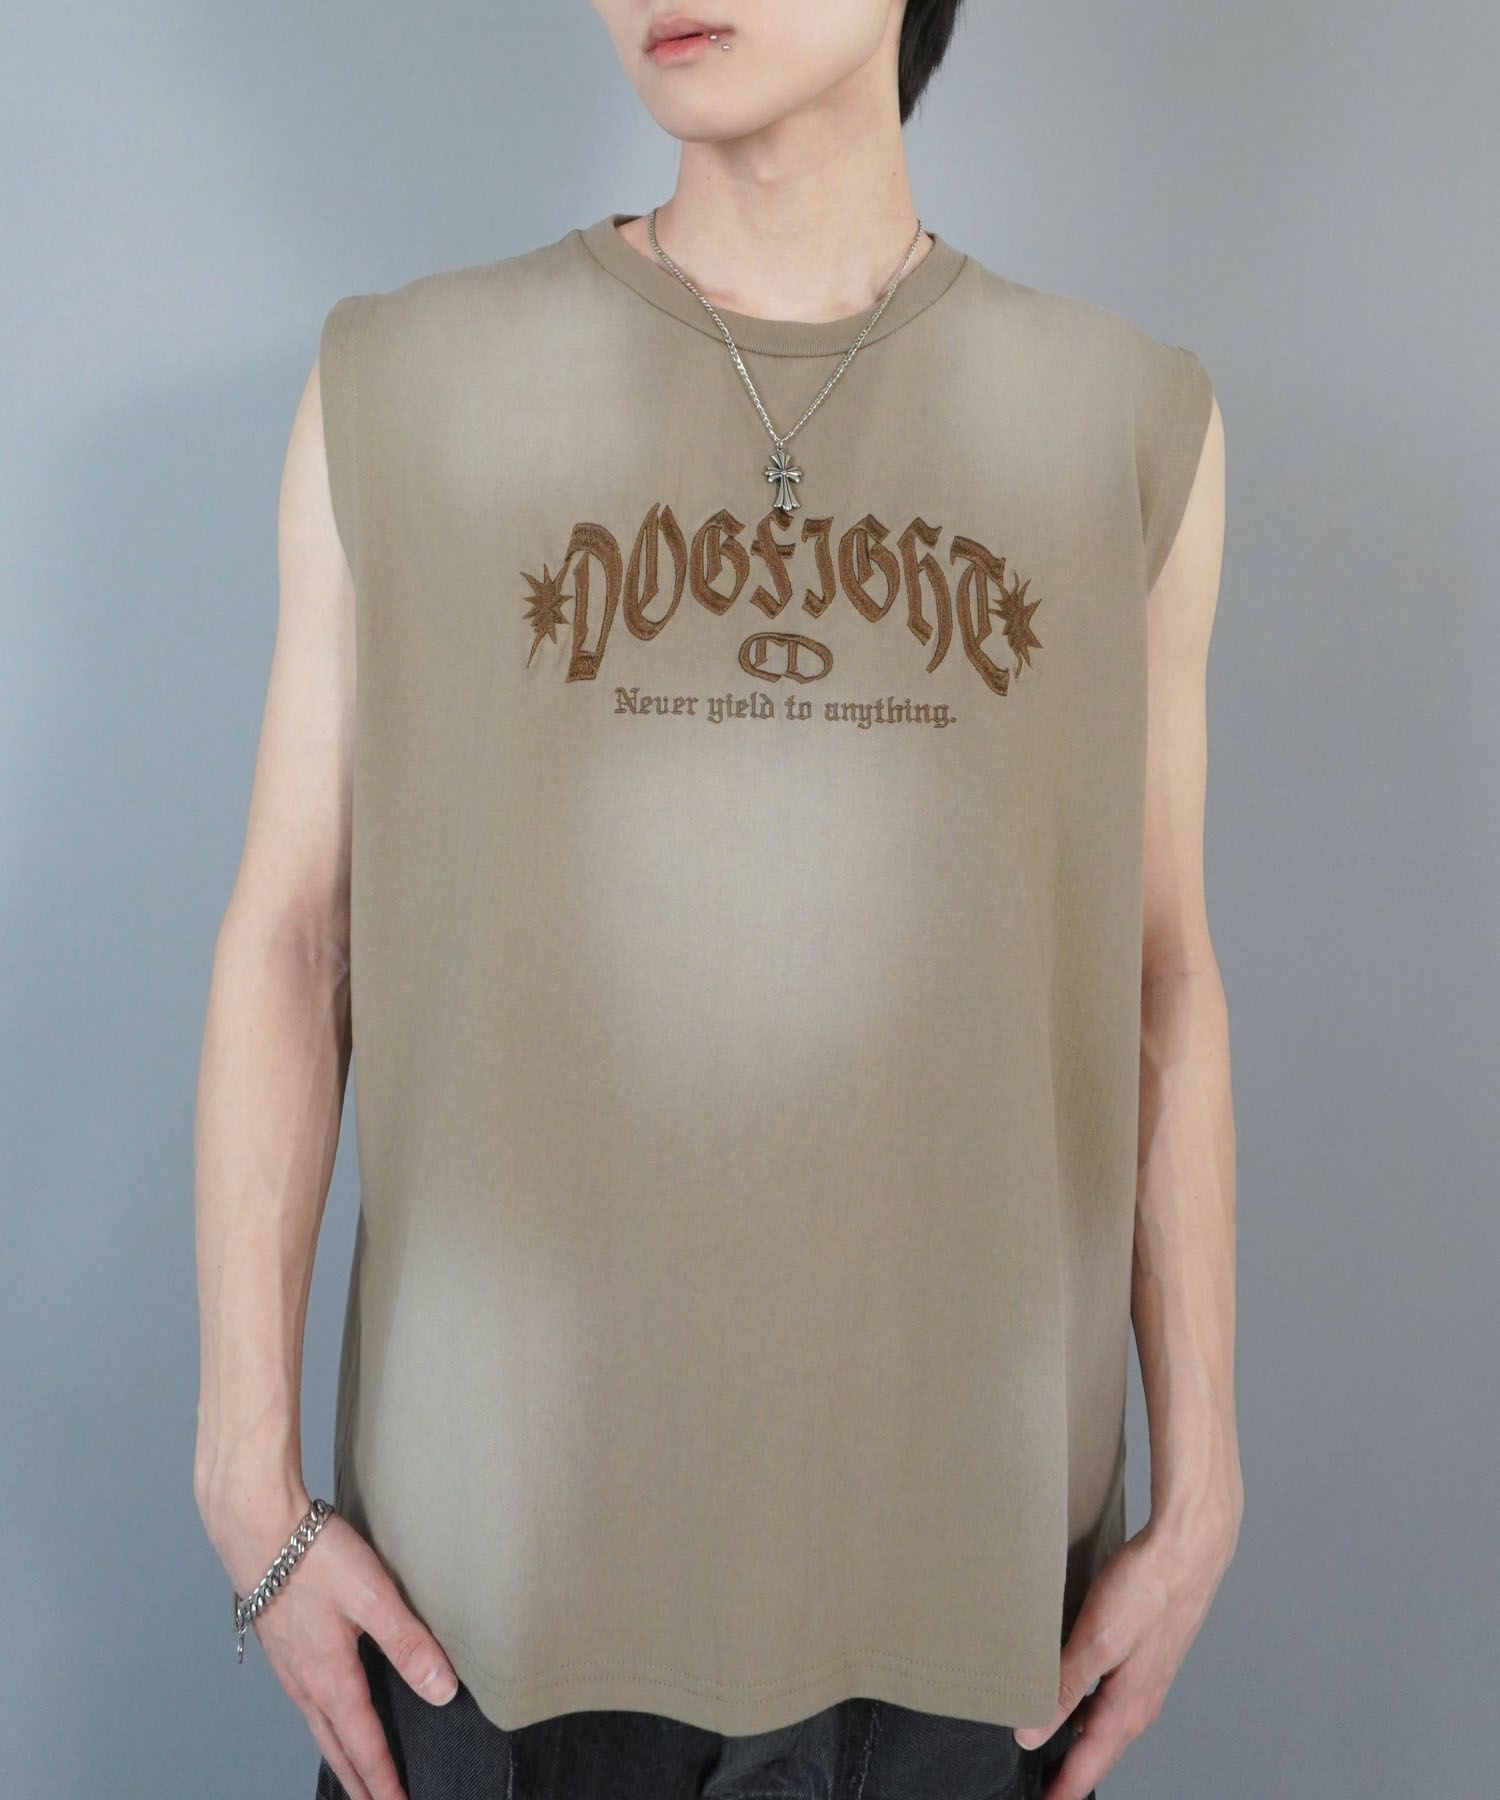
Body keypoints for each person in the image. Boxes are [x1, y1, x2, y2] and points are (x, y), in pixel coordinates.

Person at [193, 3, 1241, 1797]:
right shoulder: (406, 384)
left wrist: (1204, 1478)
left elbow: (1158, 977)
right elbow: (296, 937)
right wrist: (245, 1470)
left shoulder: (1120, 421)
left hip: (970, 1595)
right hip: (498, 1592)